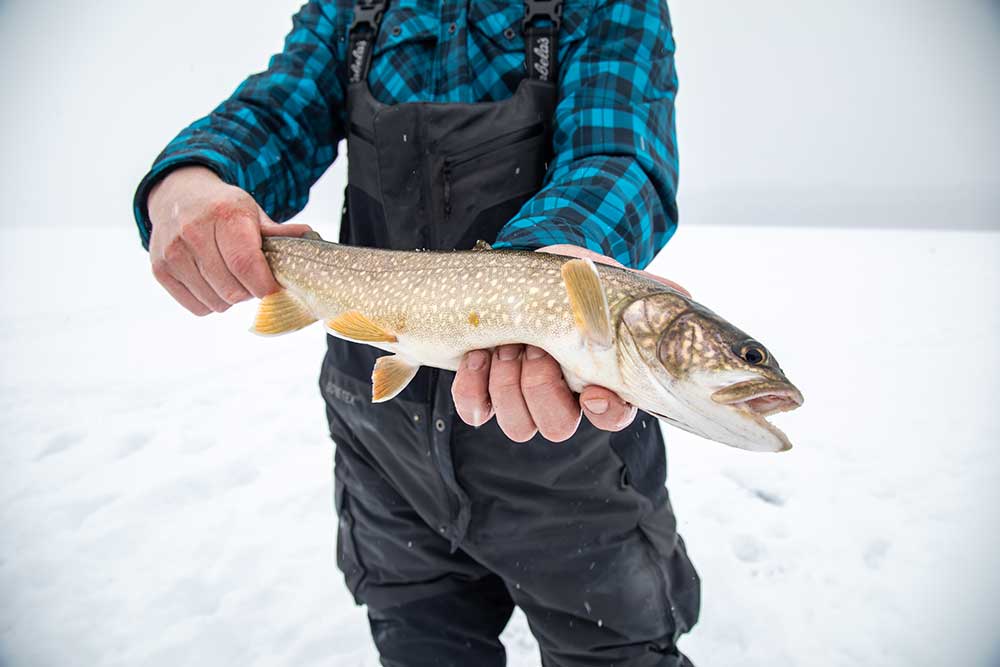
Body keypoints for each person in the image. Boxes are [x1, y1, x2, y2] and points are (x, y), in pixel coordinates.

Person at [133, 1, 700, 664]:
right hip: (382, 444)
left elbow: (617, 154)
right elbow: (274, 116)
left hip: (561, 445)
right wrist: (189, 180)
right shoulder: (350, 10)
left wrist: (545, 264)